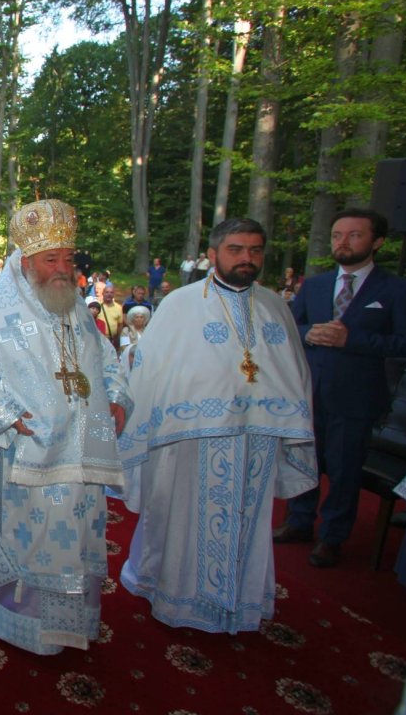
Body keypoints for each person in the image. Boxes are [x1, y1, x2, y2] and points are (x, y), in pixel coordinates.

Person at [0, 199, 128, 655]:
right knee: (24, 542)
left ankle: (67, 621)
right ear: (26, 263)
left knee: (73, 539)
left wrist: (118, 398)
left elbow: (107, 360)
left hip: (80, 455)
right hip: (18, 459)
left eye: (67, 257)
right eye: (51, 259)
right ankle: (3, 614)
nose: (63, 268)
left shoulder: (78, 310)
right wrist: (4, 417)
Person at [118, 217, 317, 633]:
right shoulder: (180, 303)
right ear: (212, 255)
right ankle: (172, 592)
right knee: (181, 516)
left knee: (247, 517)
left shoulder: (275, 306)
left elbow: (292, 370)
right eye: (236, 249)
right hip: (189, 439)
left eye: (255, 250)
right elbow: (153, 370)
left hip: (256, 437)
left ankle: (240, 600)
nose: (247, 258)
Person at [282, 208, 406, 568]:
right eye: (337, 235)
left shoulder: (398, 290)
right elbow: (287, 330)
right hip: (309, 391)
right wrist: (307, 334)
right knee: (304, 461)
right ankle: (299, 520)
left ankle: (332, 536)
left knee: (345, 470)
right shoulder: (314, 285)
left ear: (376, 241)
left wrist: (354, 339)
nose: (343, 242)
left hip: (357, 397)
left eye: (354, 235)